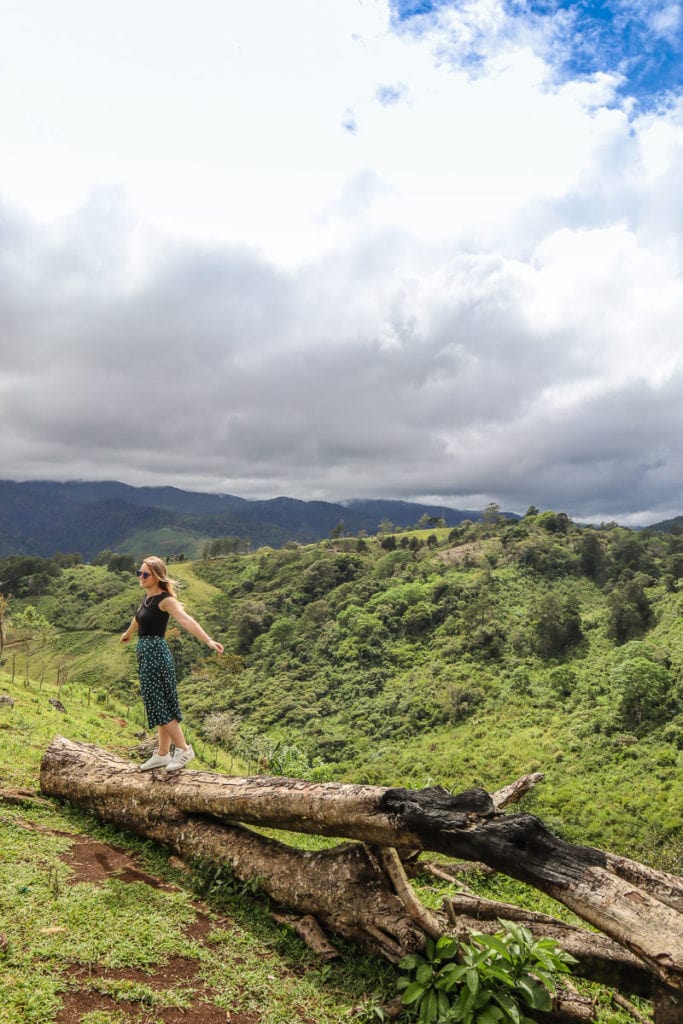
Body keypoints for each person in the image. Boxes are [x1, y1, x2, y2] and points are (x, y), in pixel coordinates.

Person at [120, 555, 223, 771]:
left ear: (157, 576)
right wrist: (128, 633)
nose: (140, 577)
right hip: (146, 654)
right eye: (139, 573)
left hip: (156, 655)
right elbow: (138, 618)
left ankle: (184, 749)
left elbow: (186, 620)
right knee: (158, 702)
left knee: (158, 702)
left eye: (145, 574)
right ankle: (162, 754)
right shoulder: (147, 598)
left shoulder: (166, 600)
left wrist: (208, 640)